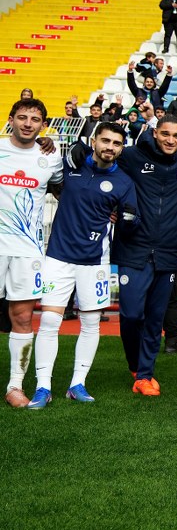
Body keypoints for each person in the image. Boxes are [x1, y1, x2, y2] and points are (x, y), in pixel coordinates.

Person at [27, 123, 138, 408]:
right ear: (94, 141)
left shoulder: (124, 182)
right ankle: (43, 386)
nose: (110, 147)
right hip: (58, 257)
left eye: (116, 143)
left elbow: (130, 218)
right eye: (105, 141)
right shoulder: (71, 165)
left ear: (121, 148)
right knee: (50, 320)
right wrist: (47, 145)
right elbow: (46, 169)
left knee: (90, 323)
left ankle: (78, 383)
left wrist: (124, 218)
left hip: (95, 262)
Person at [114, 116, 177, 396]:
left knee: (156, 317)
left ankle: (145, 375)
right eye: (165, 134)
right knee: (131, 314)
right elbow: (102, 166)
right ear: (155, 133)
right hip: (133, 247)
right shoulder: (131, 156)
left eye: (176, 135)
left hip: (168, 252)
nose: (170, 140)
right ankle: (135, 363)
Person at [1, 100, 65, 408]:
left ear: (43, 125)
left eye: (35, 119)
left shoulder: (49, 157)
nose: (28, 123)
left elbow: (64, 190)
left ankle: (15, 386)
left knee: (23, 316)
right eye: (23, 117)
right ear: (11, 119)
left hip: (28, 249)